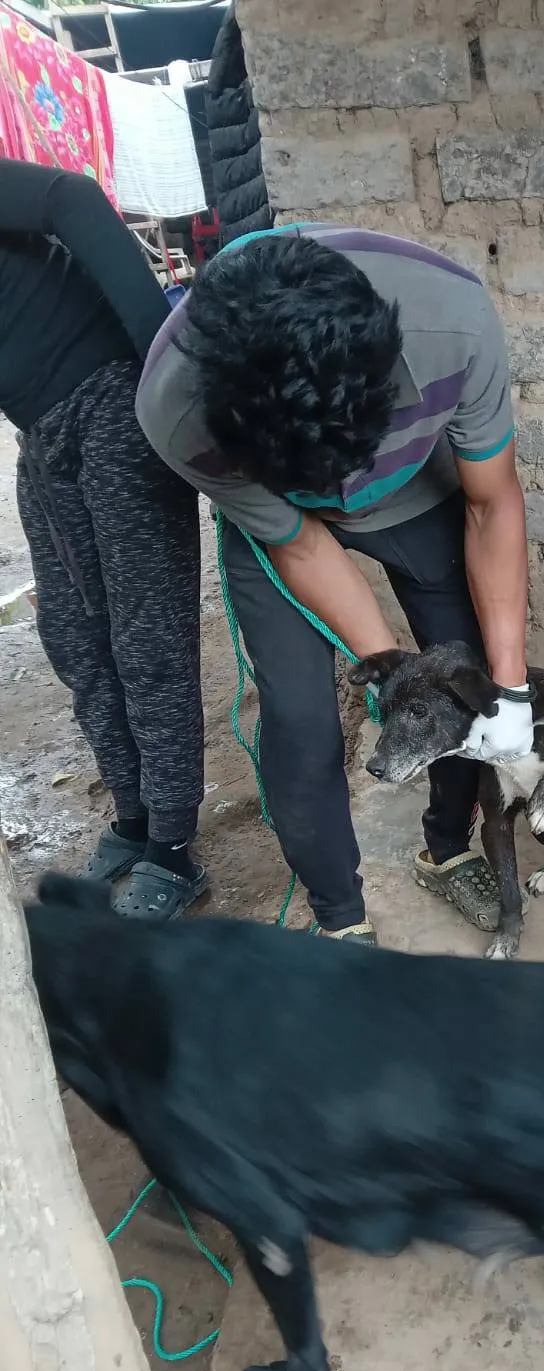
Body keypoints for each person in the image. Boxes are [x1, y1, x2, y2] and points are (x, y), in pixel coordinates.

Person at [137, 224, 533, 945]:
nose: (346, 491)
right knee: (300, 718)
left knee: (464, 682)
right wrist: (390, 677)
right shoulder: (175, 414)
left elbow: (491, 501)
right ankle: (340, 920)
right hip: (285, 531)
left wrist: (509, 689)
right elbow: (303, 544)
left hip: (422, 489)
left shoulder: (454, 324)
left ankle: (447, 849)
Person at [0, 159, 206, 918]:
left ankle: (174, 850)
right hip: (41, 434)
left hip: (114, 404)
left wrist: (165, 368)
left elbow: (69, 197)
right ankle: (135, 817)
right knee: (74, 638)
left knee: (145, 638)